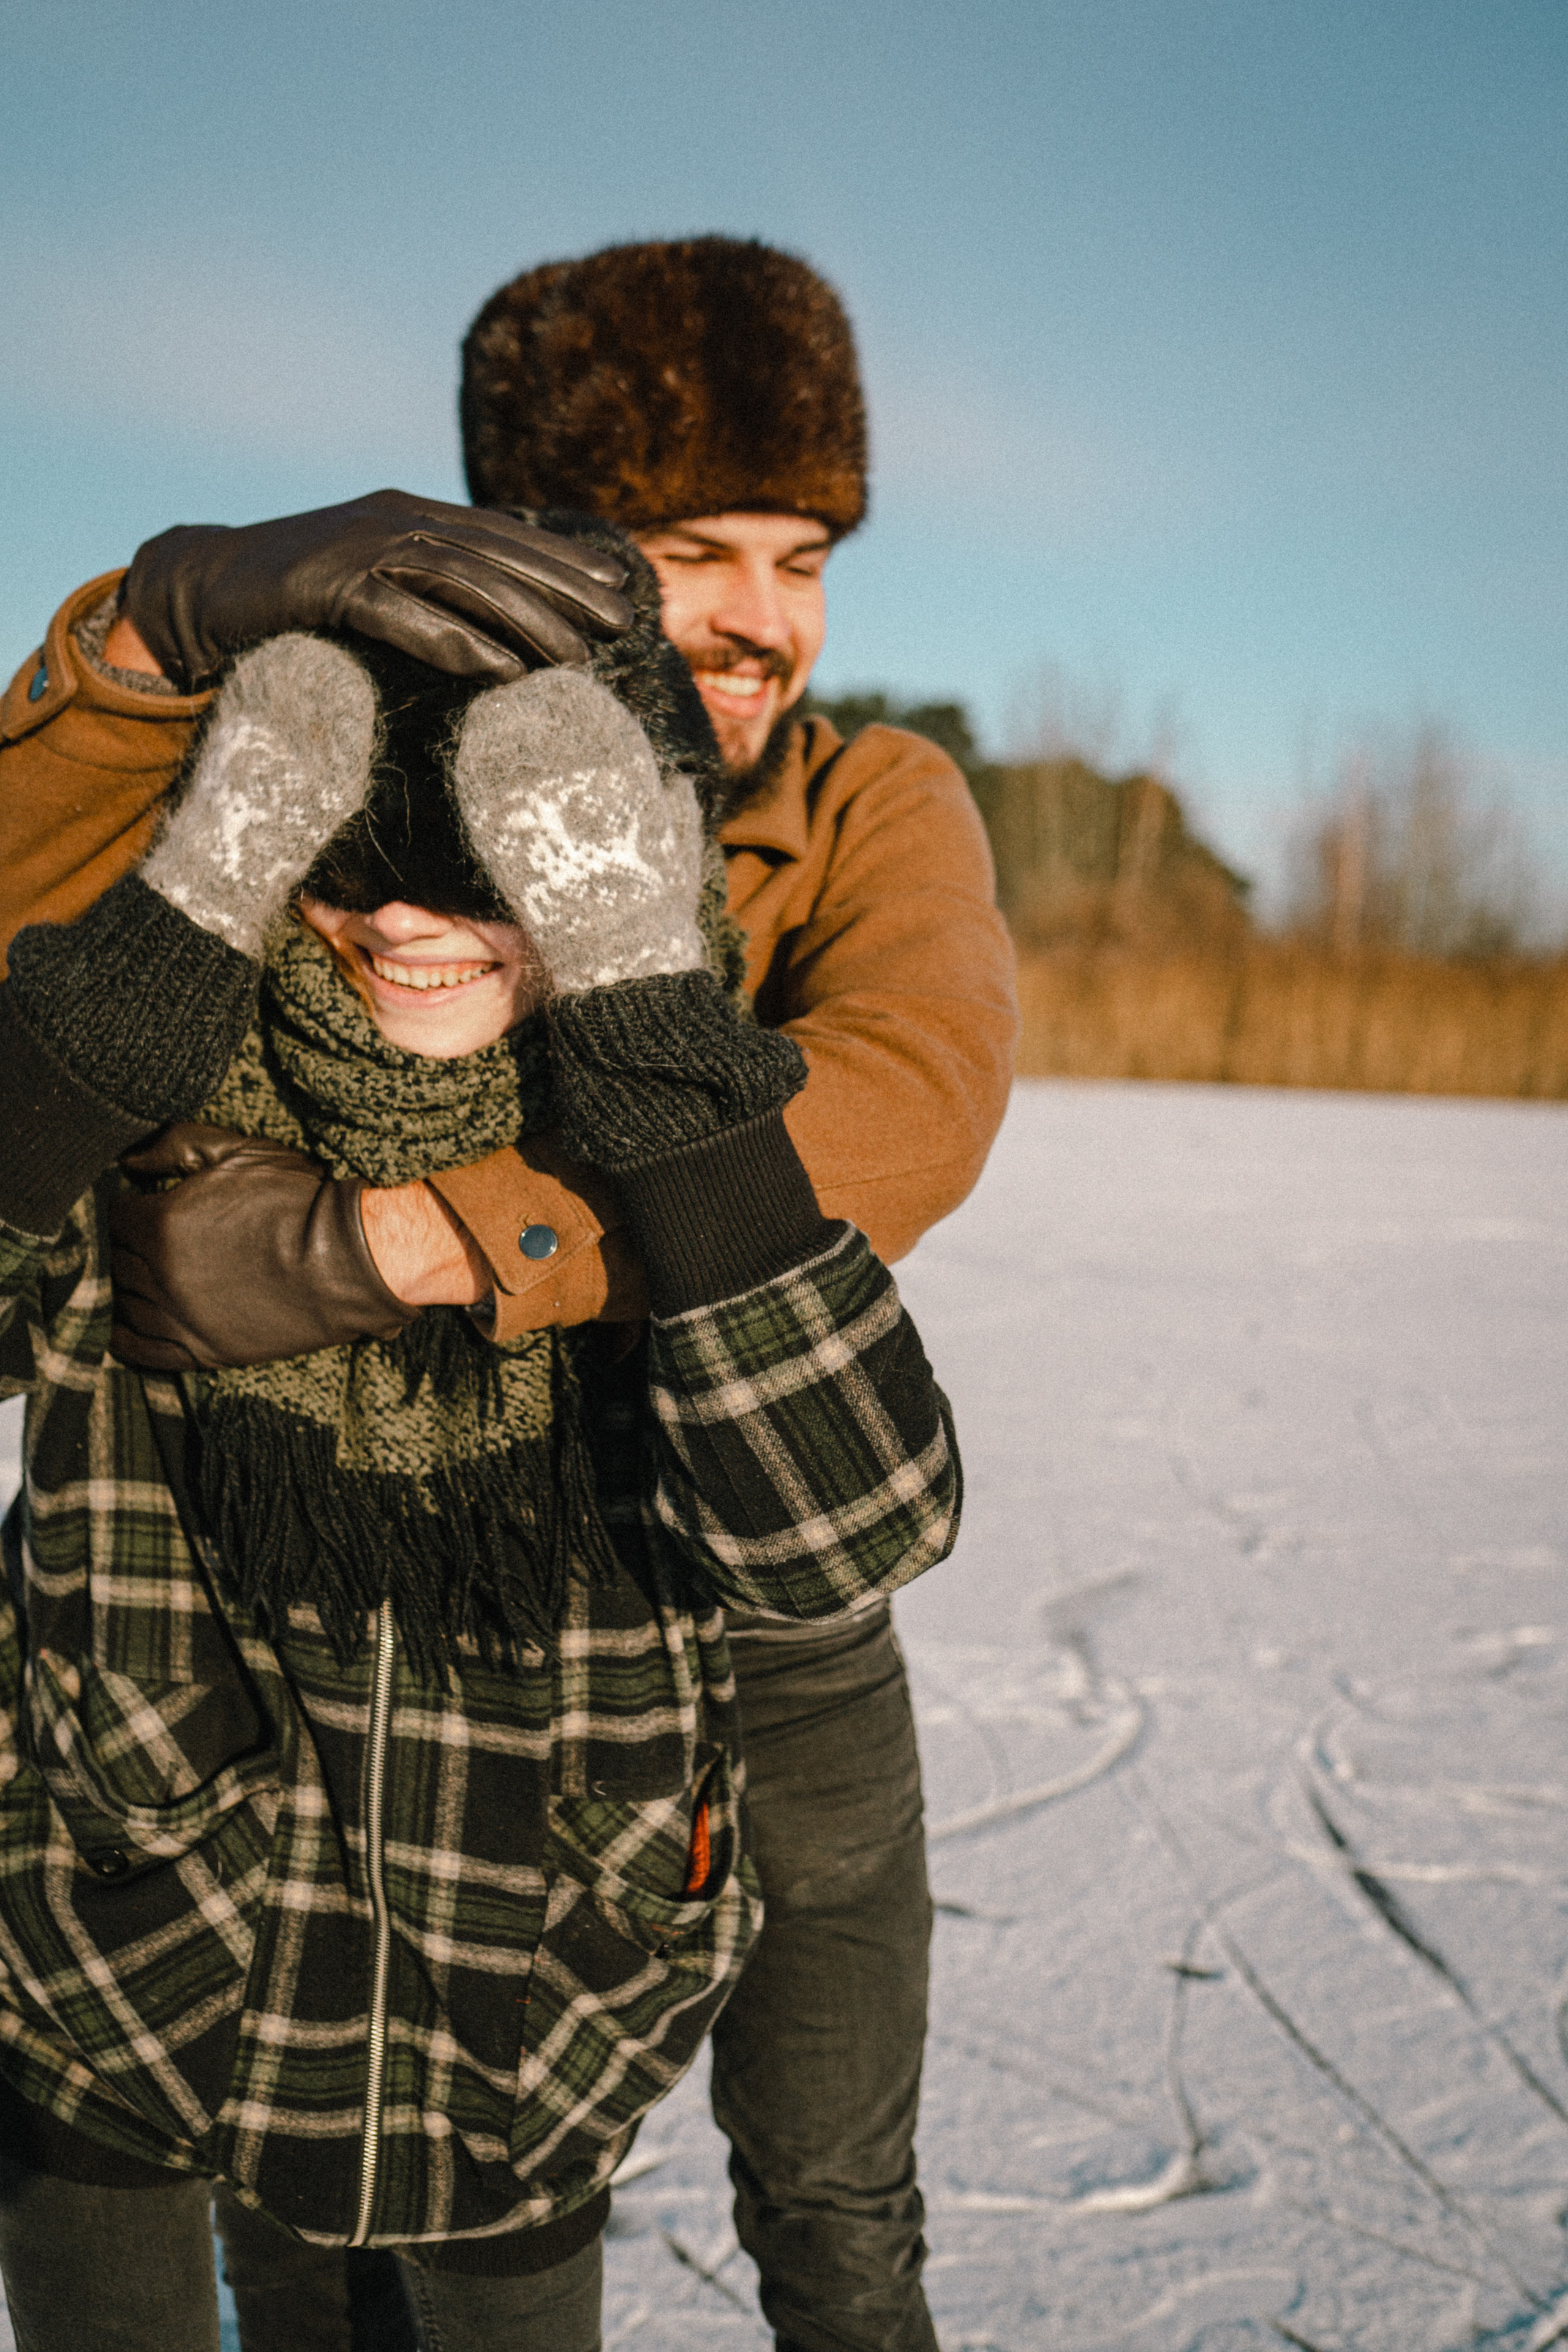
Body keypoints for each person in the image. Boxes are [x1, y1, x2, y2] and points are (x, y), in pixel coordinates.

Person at [0, 236, 1019, 2350]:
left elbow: (909, 1102)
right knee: (299, 2124)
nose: (762, 613)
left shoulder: (861, 799)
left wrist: (369, 1242)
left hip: (698, 1514)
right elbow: (36, 908)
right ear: (523, 561)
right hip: (267, 1711)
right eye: (692, 548)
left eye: (803, 552)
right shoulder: (328, 811)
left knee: (833, 2139)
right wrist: (147, 644)